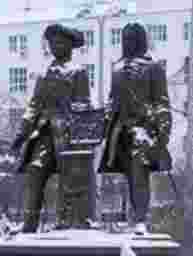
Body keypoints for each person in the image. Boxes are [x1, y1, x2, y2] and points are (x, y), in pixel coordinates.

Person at [12, 23, 91, 232]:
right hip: (44, 133)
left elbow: (84, 105)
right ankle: (29, 223)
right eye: (51, 43)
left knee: (68, 175)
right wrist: (22, 132)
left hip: (67, 136)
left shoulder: (78, 72)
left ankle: (65, 220)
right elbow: (34, 105)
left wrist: (68, 111)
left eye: (58, 43)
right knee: (34, 169)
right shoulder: (45, 73)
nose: (54, 47)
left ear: (69, 46)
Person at [99, 22, 173, 234]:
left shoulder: (154, 68)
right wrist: (104, 123)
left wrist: (163, 135)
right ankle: (117, 219)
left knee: (138, 172)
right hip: (119, 131)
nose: (128, 43)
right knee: (123, 175)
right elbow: (112, 101)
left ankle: (140, 219)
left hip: (143, 130)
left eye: (132, 39)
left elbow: (161, 103)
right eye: (125, 40)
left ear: (141, 41)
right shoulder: (117, 68)